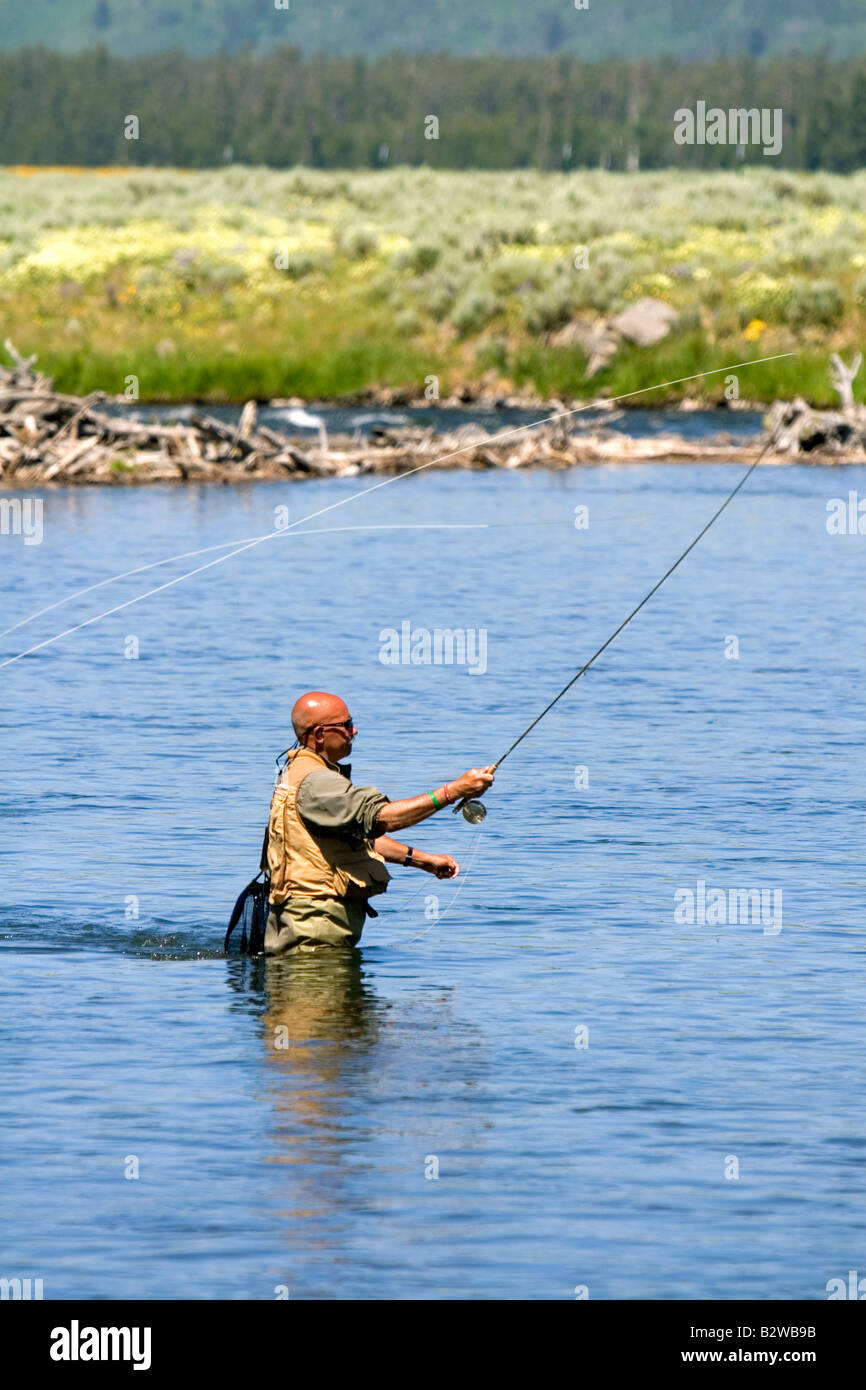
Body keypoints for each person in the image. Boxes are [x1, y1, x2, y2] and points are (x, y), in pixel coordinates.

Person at [264, 691, 494, 955]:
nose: (355, 730)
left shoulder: (296, 773)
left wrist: (423, 860)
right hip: (315, 939)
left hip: (301, 930)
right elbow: (382, 818)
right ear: (318, 735)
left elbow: (357, 836)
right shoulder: (318, 783)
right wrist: (453, 790)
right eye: (346, 725)